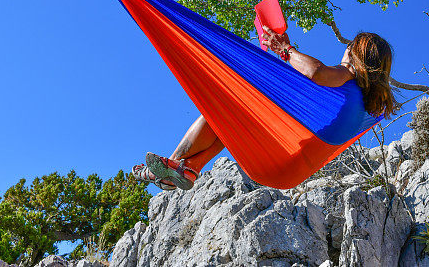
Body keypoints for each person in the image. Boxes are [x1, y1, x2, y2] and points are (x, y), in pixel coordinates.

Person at [132, 27, 398, 190]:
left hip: (280, 159)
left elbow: (316, 73)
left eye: (348, 47)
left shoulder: (347, 73)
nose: (344, 51)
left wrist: (286, 50)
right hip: (291, 174)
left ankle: (174, 161)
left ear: (356, 54)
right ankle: (189, 168)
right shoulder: (374, 109)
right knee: (232, 120)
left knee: (218, 106)